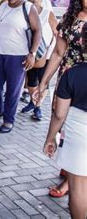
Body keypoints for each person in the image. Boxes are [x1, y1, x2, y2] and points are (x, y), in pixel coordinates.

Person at [33, 0, 87, 199]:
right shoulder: (72, 18)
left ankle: (76, 180)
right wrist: (44, 82)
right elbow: (57, 53)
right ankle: (70, 174)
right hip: (69, 80)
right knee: (63, 122)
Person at [43, 22, 87, 219]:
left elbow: (59, 114)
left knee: (78, 187)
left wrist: (50, 138)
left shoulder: (72, 74)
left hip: (79, 134)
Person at [0, 0, 42, 133]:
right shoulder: (2, 6)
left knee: (13, 90)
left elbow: (38, 30)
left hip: (18, 57)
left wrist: (32, 53)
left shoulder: (28, 7)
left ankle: (8, 120)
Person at [20, 0, 57, 120]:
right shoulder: (27, 12)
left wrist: (51, 51)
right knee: (31, 80)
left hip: (46, 53)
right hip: (31, 52)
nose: (34, 0)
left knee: (43, 80)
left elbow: (56, 33)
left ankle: (38, 107)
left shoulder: (48, 13)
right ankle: (33, 102)